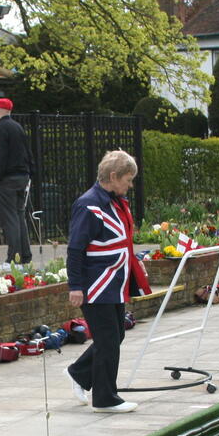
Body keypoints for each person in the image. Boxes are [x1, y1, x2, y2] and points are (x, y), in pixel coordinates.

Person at [65, 150, 150, 414]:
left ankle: (79, 373)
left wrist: (133, 261)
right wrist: (76, 286)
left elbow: (117, 240)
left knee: (116, 334)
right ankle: (104, 398)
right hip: (96, 284)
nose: (130, 184)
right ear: (113, 177)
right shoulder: (88, 205)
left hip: (114, 282)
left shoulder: (113, 201)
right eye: (127, 179)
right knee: (108, 339)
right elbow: (76, 249)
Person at [0, 97, 33, 267]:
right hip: (22, 177)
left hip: (6, 179)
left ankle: (14, 258)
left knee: (10, 219)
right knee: (19, 216)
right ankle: (25, 255)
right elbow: (28, 153)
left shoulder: (0, 129)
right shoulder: (17, 127)